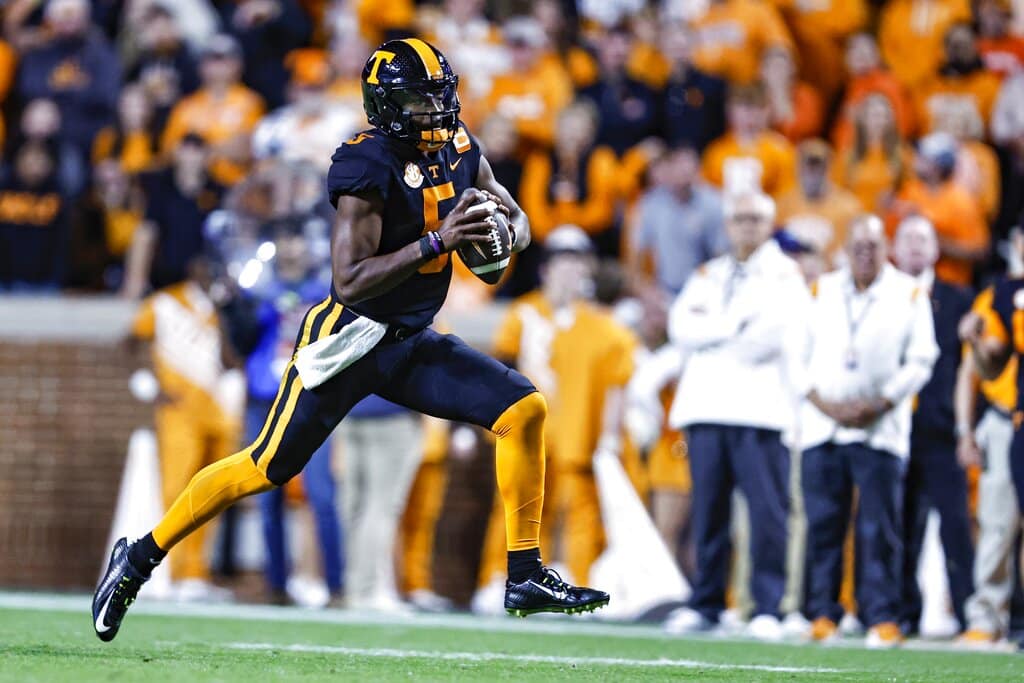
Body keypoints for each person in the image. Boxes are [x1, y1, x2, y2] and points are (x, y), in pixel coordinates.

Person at [93, 37, 608, 642]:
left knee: (523, 407)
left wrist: (503, 235)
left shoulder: (460, 144)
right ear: (387, 105)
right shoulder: (367, 162)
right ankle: (139, 559)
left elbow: (516, 220)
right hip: (349, 337)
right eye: (420, 100)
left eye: (440, 97)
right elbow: (351, 280)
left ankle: (523, 573)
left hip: (412, 337)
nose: (436, 112)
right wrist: (439, 243)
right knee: (264, 466)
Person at [663, 191, 808, 641]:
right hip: (706, 407)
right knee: (708, 513)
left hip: (760, 410)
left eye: (756, 219)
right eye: (739, 218)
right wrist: (729, 328)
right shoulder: (710, 273)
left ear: (769, 225)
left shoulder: (786, 275)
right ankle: (706, 602)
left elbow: (770, 337)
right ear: (728, 225)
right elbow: (680, 327)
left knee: (767, 513)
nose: (746, 226)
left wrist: (713, 335)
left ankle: (769, 606)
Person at [797, 215, 939, 649]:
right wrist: (824, 402)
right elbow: (796, 353)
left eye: (873, 246)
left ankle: (881, 616)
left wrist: (881, 402)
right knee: (823, 525)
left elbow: (922, 359)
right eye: (857, 245)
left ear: (886, 249)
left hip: (880, 429)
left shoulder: (909, 293)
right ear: (845, 248)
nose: (864, 253)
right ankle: (822, 613)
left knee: (880, 528)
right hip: (824, 425)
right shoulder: (822, 289)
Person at [127, 255, 243, 601]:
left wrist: (223, 313)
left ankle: (196, 573)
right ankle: (172, 572)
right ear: (192, 269)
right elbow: (129, 342)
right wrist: (147, 384)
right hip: (179, 410)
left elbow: (231, 359)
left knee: (212, 495)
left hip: (220, 410)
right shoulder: (165, 302)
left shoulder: (222, 308)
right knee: (178, 490)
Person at [244, 220, 343, 605]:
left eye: (297, 238)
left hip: (309, 396)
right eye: (285, 238)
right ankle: (276, 586)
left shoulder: (324, 289)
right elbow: (241, 338)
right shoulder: (257, 289)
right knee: (265, 494)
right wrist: (236, 305)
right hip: (265, 397)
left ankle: (335, 585)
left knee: (322, 495)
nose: (291, 247)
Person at [892, 216, 975, 636]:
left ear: (936, 249)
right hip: (891, 429)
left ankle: (968, 614)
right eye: (906, 239)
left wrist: (965, 428)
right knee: (900, 525)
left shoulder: (960, 300)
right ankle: (902, 614)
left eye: (922, 239)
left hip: (941, 430)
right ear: (894, 246)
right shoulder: (882, 298)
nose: (914, 247)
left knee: (956, 525)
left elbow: (971, 368)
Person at [955, 278, 1020, 645]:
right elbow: (975, 368)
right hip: (1005, 417)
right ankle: (988, 615)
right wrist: (965, 430)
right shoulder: (1000, 296)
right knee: (997, 522)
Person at [160, 34, 266, 187]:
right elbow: (169, 151)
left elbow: (247, 149)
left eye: (222, 58)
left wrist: (199, 150)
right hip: (195, 189)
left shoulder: (250, 102)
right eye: (211, 58)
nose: (217, 65)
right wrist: (220, 149)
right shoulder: (186, 106)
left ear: (238, 63)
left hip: (235, 186)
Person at [887, 131, 988, 287]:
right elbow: (890, 239)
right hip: (905, 282)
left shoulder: (961, 201)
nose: (916, 160)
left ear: (938, 166)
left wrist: (930, 238)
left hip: (950, 285)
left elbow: (978, 251)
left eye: (924, 157)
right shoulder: (909, 191)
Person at [627, 145, 726, 296]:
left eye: (688, 171)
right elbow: (636, 253)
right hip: (662, 289)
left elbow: (721, 256)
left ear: (698, 171)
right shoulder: (651, 204)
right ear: (669, 170)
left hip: (704, 288)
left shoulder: (713, 203)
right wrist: (644, 290)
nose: (683, 175)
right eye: (679, 169)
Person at [701, 83, 797, 198]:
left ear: (767, 111)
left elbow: (788, 195)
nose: (750, 114)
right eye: (744, 107)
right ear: (730, 111)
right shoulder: (716, 152)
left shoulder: (781, 150)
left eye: (757, 107)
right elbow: (705, 195)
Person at [776, 139, 863, 263]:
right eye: (807, 166)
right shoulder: (783, 204)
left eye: (818, 167)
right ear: (797, 169)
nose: (812, 173)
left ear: (829, 169)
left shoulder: (849, 208)